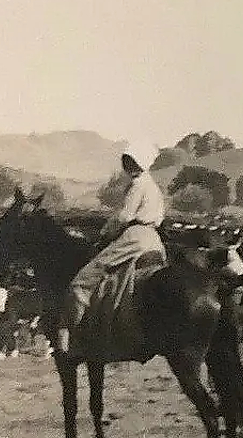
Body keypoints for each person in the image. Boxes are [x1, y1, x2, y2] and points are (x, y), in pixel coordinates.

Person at [55, 141, 166, 356]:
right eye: (126, 161)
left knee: (82, 281)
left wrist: (105, 232)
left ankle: (73, 335)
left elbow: (124, 216)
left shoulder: (137, 185)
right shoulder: (153, 186)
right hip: (155, 240)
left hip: (134, 238)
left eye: (131, 161)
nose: (127, 165)